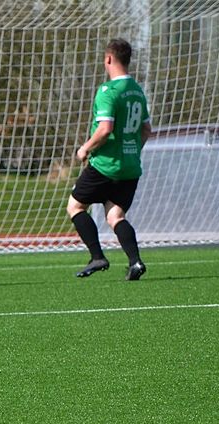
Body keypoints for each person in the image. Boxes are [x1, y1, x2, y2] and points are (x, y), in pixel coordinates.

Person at [67, 39, 151, 280]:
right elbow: (146, 130)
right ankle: (135, 262)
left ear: (109, 59)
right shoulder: (137, 91)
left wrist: (84, 149)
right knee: (115, 216)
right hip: (130, 167)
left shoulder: (108, 91)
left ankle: (97, 256)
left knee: (75, 207)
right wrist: (132, 151)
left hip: (105, 165)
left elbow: (105, 129)